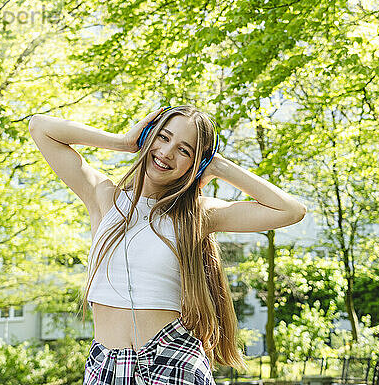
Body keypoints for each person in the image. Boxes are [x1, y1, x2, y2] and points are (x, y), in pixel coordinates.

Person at [28, 105, 307, 384]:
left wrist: (218, 165)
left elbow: (291, 211)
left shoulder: (196, 214)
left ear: (196, 164)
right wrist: (123, 142)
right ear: (148, 134)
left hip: (171, 361)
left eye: (185, 150)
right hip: (105, 366)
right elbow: (40, 127)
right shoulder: (104, 196)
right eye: (163, 137)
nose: (167, 152)